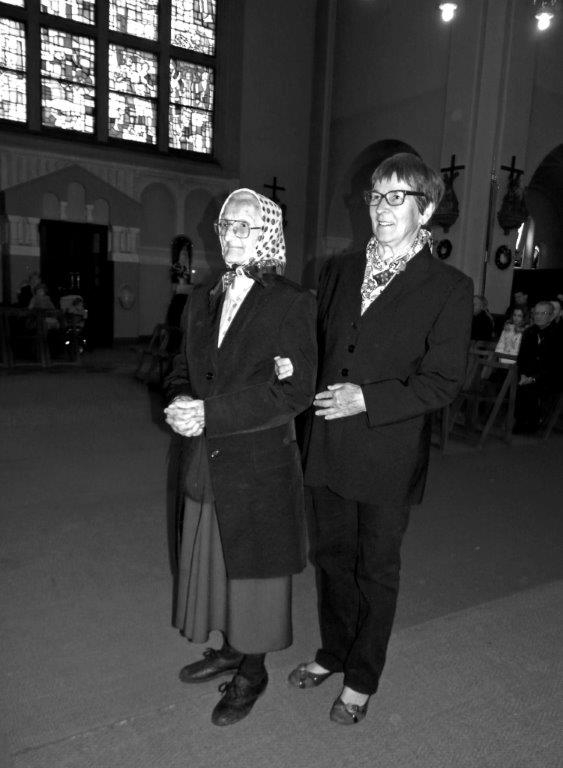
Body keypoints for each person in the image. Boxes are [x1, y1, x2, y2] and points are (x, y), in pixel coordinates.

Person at [283, 152, 473, 725]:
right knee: (331, 558)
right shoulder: (338, 270)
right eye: (375, 196)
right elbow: (318, 346)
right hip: (328, 443)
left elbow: (444, 380)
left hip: (387, 451)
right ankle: (334, 651)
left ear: (426, 210)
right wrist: (289, 367)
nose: (382, 208)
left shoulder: (448, 287)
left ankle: (362, 677)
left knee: (376, 569)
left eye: (397, 197)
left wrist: (368, 398)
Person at [164, 189, 317, 727]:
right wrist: (179, 402)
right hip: (205, 457)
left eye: (244, 226)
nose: (231, 234)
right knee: (215, 556)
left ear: (268, 234)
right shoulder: (202, 296)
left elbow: (295, 393)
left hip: (257, 463)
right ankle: (231, 649)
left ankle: (253, 672)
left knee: (253, 572)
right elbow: (181, 367)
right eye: (226, 225)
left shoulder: (291, 302)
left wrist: (209, 414)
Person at [513, 301, 562, 434]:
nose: (538, 316)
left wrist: (534, 378)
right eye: (536, 313)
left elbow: (555, 365)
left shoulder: (558, 334)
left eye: (543, 313)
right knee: (518, 383)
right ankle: (521, 421)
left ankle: (531, 423)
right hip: (528, 374)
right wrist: (523, 374)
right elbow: (522, 358)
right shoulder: (529, 332)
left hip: (550, 376)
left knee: (531, 386)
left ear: (551, 316)